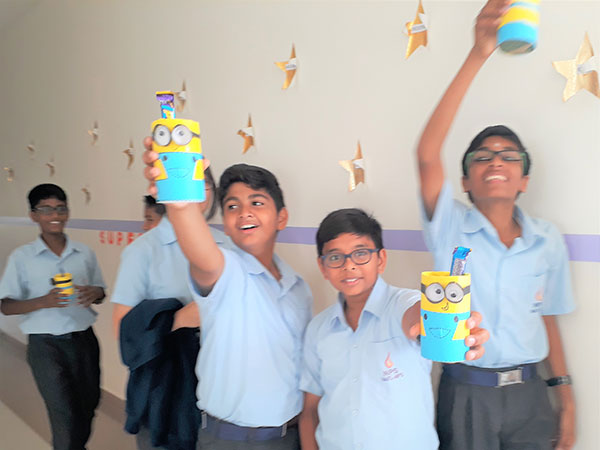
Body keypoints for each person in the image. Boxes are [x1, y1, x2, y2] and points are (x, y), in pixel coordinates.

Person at [415, 1, 576, 449]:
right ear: (466, 181)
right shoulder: (449, 226)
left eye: (509, 156)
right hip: (467, 393)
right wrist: (478, 53)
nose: (496, 161)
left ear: (524, 179)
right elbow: (427, 154)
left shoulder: (547, 240)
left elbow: (548, 319)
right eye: (481, 157)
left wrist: (566, 399)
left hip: (531, 395)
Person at [143, 138, 312, 450]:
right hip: (231, 439)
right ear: (227, 225)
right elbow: (202, 255)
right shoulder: (227, 271)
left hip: (289, 435)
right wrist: (181, 205)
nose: (244, 212)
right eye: (232, 206)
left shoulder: (299, 287)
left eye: (257, 203)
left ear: (281, 217)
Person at [298, 208, 488, 450]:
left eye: (361, 254)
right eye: (335, 257)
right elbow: (311, 409)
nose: (349, 266)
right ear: (323, 266)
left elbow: (417, 317)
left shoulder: (402, 304)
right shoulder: (318, 329)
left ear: (381, 259)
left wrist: (442, 323)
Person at [112, 166, 227, 450]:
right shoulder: (143, 251)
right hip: (166, 388)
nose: (194, 193)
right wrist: (177, 319)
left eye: (202, 184)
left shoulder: (227, 246)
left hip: (220, 381)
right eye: (185, 182)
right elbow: (124, 330)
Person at [0, 183, 106, 450]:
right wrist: (43, 302)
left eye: (60, 208)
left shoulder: (84, 253)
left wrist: (95, 292)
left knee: (88, 406)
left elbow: (101, 292)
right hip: (46, 346)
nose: (55, 215)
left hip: (84, 341)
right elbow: (6, 306)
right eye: (46, 210)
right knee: (64, 415)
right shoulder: (22, 258)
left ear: (68, 212)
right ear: (34, 215)